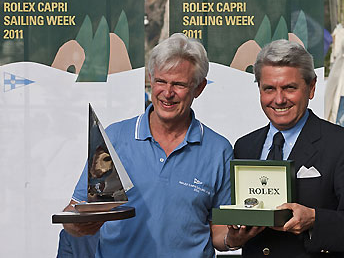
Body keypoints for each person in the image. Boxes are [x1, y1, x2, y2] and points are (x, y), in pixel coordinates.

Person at [62, 33, 256, 257]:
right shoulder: (115, 138)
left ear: (199, 88)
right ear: (150, 79)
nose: (168, 93)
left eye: (179, 84)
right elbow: (75, 210)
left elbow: (219, 232)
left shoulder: (219, 150)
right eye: (161, 81)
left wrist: (234, 238)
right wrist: (76, 225)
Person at [234, 40, 344, 257]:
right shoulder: (244, 146)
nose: (279, 99)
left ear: (311, 87)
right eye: (269, 89)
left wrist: (314, 220)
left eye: (289, 88)